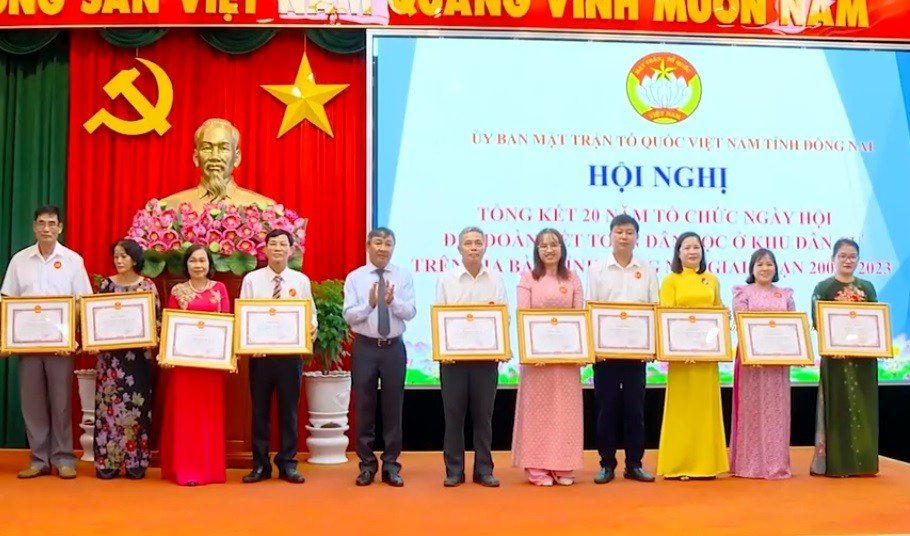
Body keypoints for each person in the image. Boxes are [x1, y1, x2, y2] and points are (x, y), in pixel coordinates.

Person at [1, 205, 93, 479]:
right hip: (28, 346)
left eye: (52, 223)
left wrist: (71, 334)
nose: (46, 228)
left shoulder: (73, 261)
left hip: (60, 346)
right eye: (41, 223)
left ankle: (64, 458)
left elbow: (83, 302)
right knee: (32, 403)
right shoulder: (19, 261)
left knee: (61, 402)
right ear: (34, 226)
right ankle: (38, 458)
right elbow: (7, 300)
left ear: (60, 228)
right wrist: (8, 338)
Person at [240, 229, 317, 485]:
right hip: (261, 356)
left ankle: (288, 464)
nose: (277, 248)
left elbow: (310, 314)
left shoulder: (300, 280)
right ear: (265, 249)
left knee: (289, 412)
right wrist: (249, 343)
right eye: (273, 244)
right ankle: (260, 465)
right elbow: (244, 314)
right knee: (259, 412)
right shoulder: (252, 279)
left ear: (291, 250)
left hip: (289, 356)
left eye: (283, 244)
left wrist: (311, 330)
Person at [586, 214, 657, 484]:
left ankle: (634, 464)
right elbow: (591, 308)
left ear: (637, 237)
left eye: (629, 232)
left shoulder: (647, 270)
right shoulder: (597, 269)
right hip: (605, 354)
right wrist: (593, 347)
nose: (624, 237)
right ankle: (606, 464)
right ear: (610, 236)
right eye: (619, 232)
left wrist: (652, 346)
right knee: (606, 410)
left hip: (636, 354)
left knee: (635, 411)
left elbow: (654, 308)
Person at [343, 227, 416, 487]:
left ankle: (391, 466)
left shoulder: (403, 275)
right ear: (368, 245)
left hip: (393, 348)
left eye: (388, 243)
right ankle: (366, 465)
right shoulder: (355, 277)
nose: (383, 248)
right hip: (365, 347)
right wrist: (370, 305)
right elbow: (349, 316)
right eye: (378, 243)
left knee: (393, 407)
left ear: (393, 247)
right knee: (364, 406)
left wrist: (392, 302)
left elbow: (411, 312)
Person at [511, 228, 584, 486]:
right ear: (537, 250)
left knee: (565, 413)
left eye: (554, 245)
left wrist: (579, 350)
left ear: (562, 249)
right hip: (537, 362)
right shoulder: (528, 278)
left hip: (566, 361)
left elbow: (579, 317)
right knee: (538, 414)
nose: (550, 250)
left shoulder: (573, 279)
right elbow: (523, 317)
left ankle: (562, 466)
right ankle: (537, 467)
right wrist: (532, 352)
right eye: (544, 246)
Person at [435, 226, 505, 488]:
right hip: (453, 361)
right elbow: (440, 318)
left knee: (484, 418)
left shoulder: (496, 280)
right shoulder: (446, 280)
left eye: (478, 242)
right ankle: (454, 470)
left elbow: (503, 317)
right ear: (459, 248)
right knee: (454, 417)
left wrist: (501, 346)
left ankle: (484, 470)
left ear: (485, 247)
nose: (473, 247)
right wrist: (443, 349)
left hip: (486, 361)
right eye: (468, 243)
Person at [656, 231, 728, 479]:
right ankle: (677, 466)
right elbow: (666, 316)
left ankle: (705, 466)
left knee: (705, 410)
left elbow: (718, 313)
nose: (692, 251)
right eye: (686, 247)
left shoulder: (712, 280)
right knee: (681, 412)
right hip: (681, 359)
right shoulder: (670, 281)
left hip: (706, 358)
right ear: (678, 253)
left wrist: (717, 338)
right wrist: (680, 349)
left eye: (696, 247)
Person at [159, 245, 231, 486]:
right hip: (184, 366)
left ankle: (210, 470)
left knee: (208, 417)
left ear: (209, 264)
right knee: (185, 417)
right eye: (193, 260)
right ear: (186, 264)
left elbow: (227, 323)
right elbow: (170, 325)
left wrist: (227, 356)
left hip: (210, 366)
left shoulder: (220, 289)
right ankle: (186, 469)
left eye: (202, 260)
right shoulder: (177, 291)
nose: (198, 265)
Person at [810, 238, 880, 477]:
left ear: (858, 260)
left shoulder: (867, 288)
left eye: (852, 256)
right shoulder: (823, 288)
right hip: (835, 359)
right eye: (842, 256)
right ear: (833, 259)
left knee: (864, 408)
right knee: (837, 409)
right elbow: (818, 321)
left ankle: (864, 463)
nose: (847, 260)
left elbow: (875, 321)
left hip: (864, 359)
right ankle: (838, 464)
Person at [94, 239, 161, 480]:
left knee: (136, 408)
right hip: (110, 360)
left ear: (135, 258)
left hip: (138, 360)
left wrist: (150, 335)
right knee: (108, 409)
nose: (119, 260)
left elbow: (157, 321)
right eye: (116, 256)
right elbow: (96, 319)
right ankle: (108, 462)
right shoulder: (106, 285)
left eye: (124, 256)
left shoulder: (148, 286)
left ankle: (135, 461)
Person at [729, 248, 794, 479]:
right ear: (752, 269)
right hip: (751, 363)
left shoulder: (784, 295)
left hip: (777, 364)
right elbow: (741, 325)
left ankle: (776, 464)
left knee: (776, 411)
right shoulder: (742, 293)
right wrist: (752, 351)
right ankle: (749, 465)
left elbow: (791, 329)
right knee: (751, 411)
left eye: (769, 264)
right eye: (760, 264)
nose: (765, 268)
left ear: (775, 268)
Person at [159, 118, 275, 211]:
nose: (215, 156)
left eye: (223, 148)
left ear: (237, 157)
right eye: (207, 148)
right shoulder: (169, 208)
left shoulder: (264, 209)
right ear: (196, 157)